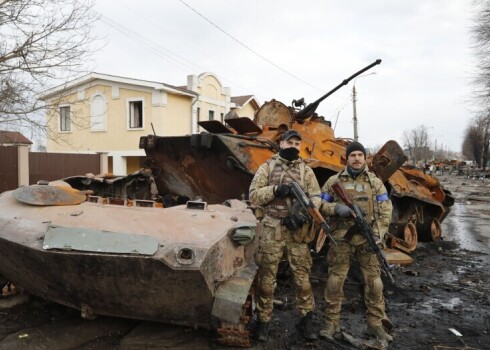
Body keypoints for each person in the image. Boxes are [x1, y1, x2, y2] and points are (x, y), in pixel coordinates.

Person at [249, 129, 321, 341]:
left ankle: (307, 319)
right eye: (290, 142)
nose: (294, 146)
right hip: (272, 229)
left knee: (303, 279)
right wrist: (275, 190)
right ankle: (263, 320)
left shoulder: (306, 171)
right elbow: (253, 195)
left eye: (298, 144)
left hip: (297, 231)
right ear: (281, 144)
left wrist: (301, 217)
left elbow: (316, 198)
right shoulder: (267, 167)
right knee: (266, 279)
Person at [319, 141, 393, 342]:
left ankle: (375, 324)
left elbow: (385, 209)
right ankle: (331, 323)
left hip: (368, 239)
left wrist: (378, 233)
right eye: (353, 155)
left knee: (374, 283)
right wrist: (336, 209)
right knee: (335, 281)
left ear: (365, 158)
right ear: (347, 158)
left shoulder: (375, 183)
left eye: (360, 155)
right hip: (341, 238)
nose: (357, 158)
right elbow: (319, 204)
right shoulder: (334, 181)